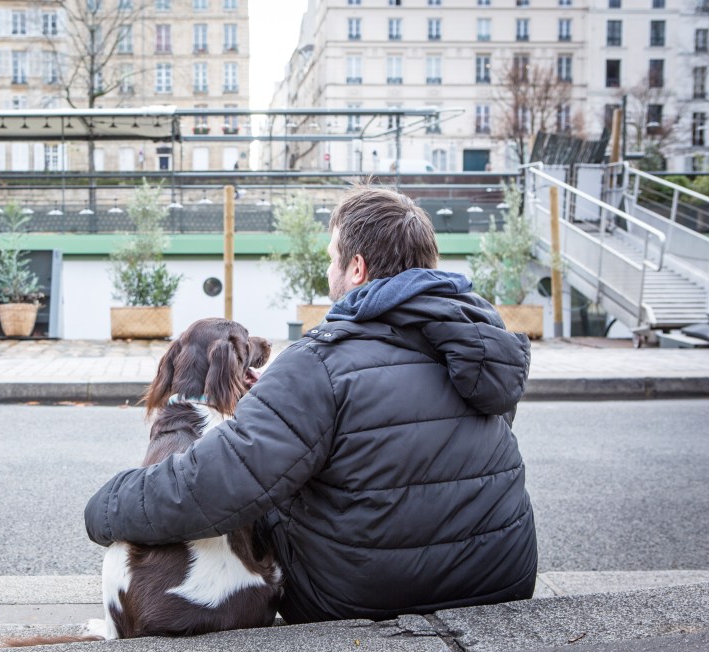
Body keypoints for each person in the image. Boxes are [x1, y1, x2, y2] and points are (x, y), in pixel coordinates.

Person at [85, 184, 537, 623]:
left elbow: (214, 486)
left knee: (264, 489)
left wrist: (106, 508)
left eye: (331, 258)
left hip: (360, 596)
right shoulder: (482, 343)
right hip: (502, 581)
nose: (328, 271)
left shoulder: (320, 361)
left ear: (356, 268)